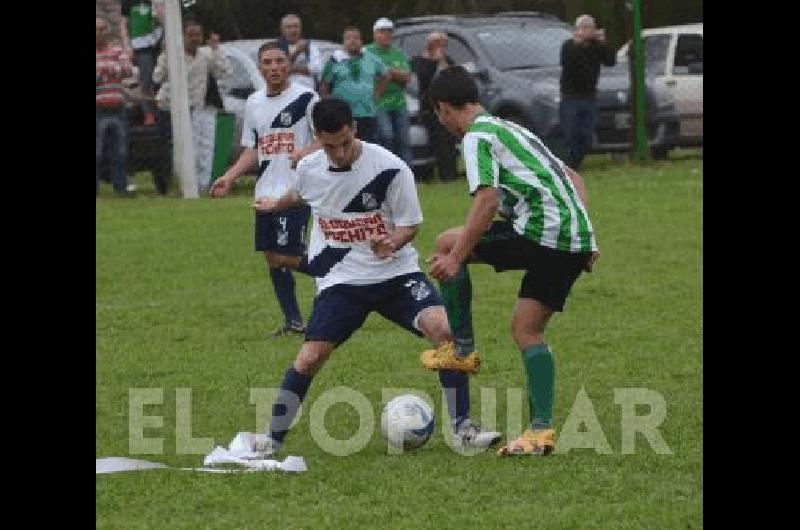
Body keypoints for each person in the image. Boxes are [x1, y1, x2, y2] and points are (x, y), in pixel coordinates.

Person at [246, 98, 501, 455]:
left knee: (445, 331)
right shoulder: (309, 168)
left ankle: (463, 430)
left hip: (395, 274)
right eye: (329, 146)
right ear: (317, 138)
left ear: (354, 128)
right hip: (342, 281)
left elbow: (410, 224)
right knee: (310, 356)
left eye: (344, 143)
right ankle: (272, 439)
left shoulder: (390, 168)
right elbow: (301, 194)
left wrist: (392, 241)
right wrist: (276, 204)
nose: (338, 154)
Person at [421, 66, 599, 456]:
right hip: (570, 237)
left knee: (446, 243)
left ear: (442, 110)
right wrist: (585, 237)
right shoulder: (512, 129)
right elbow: (572, 175)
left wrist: (456, 259)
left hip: (541, 234)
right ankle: (540, 433)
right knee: (526, 330)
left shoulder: (477, 137)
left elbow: (487, 201)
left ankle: (462, 349)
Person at [209, 43, 319, 338]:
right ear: (260, 68)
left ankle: (336, 272)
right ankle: (293, 321)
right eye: (267, 62)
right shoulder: (254, 102)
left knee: (287, 255)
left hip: (295, 190)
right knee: (272, 257)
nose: (274, 67)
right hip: (265, 190)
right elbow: (253, 149)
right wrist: (230, 177)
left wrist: (304, 152)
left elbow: (326, 138)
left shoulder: (306, 98)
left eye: (279, 61)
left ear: (288, 64)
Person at [153, 19, 232, 194]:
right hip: (169, 108)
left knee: (199, 149)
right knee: (169, 149)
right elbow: (157, 78)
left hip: (195, 109)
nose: (194, 38)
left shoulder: (205, 55)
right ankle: (168, 186)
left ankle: (199, 187)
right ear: (182, 36)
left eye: (197, 35)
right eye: (190, 35)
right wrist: (166, 55)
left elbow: (225, 72)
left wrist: (216, 49)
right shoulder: (173, 54)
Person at [559, 14, 616, 170]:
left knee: (586, 135)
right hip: (570, 96)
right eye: (583, 27)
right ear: (577, 30)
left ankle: (575, 163)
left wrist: (603, 42)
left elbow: (610, 61)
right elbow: (567, 62)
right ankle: (568, 165)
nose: (586, 31)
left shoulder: (596, 47)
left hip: (589, 96)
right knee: (570, 134)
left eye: (589, 27)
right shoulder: (568, 46)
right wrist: (578, 43)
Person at [319, 26, 388, 143]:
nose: (352, 41)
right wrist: (329, 105)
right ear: (343, 42)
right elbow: (324, 85)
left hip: (367, 112)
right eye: (348, 38)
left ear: (361, 41)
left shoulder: (371, 58)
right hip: (343, 115)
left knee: (368, 145)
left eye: (356, 38)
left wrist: (377, 94)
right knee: (345, 144)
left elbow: (384, 75)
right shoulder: (334, 61)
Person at [410, 31, 457, 181]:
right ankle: (437, 175)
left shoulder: (446, 60)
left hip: (447, 106)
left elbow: (452, 76)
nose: (441, 48)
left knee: (449, 139)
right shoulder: (421, 61)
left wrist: (442, 61)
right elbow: (424, 80)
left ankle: (450, 173)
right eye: (438, 44)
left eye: (443, 45)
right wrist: (435, 62)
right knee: (438, 139)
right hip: (429, 108)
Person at [365, 17, 412, 166]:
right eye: (382, 31)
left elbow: (407, 77)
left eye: (389, 32)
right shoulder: (367, 52)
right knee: (386, 137)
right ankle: (386, 171)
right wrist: (392, 74)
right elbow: (368, 76)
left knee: (404, 140)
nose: (386, 35)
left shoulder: (398, 53)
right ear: (374, 34)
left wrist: (389, 71)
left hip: (398, 102)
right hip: (379, 102)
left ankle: (408, 173)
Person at [96, 16, 133, 197]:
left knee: (121, 152)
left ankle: (121, 188)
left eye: (102, 29)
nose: (99, 33)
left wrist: (107, 69)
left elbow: (127, 70)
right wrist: (109, 70)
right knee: (97, 153)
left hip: (118, 108)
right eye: (97, 30)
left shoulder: (117, 50)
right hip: (98, 110)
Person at [121, 0, 163, 126]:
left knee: (160, 80)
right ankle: (149, 114)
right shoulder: (128, 3)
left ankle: (161, 112)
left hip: (158, 44)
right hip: (141, 47)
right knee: (145, 80)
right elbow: (124, 25)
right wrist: (128, 45)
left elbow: (162, 19)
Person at [277, 13, 322, 90]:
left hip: (308, 92)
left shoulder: (310, 46)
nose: (293, 30)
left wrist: (292, 69)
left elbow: (317, 68)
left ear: (300, 28)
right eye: (289, 27)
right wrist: (296, 53)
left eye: (296, 26)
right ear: (282, 30)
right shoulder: (276, 47)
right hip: (285, 92)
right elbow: (279, 69)